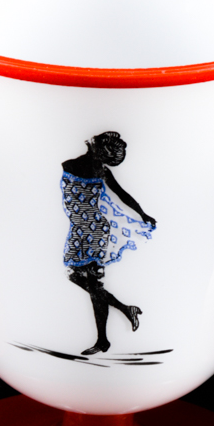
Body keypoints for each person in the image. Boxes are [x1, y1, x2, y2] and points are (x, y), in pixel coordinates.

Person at [61, 131, 156, 354]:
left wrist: (142, 214)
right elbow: (122, 195)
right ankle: (125, 309)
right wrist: (142, 214)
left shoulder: (88, 168)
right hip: (78, 230)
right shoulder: (82, 167)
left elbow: (123, 195)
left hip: (93, 231)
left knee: (94, 285)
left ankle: (103, 340)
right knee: (76, 277)